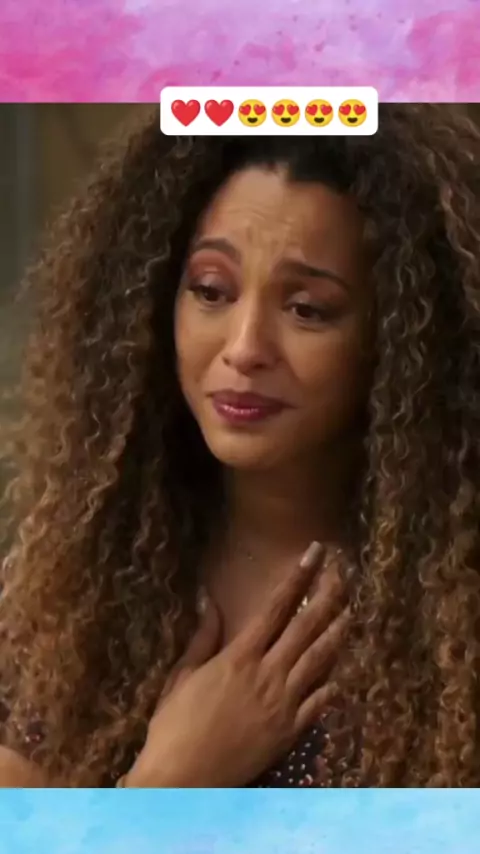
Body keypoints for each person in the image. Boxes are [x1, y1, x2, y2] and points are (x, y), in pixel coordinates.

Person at [0, 103, 479, 788]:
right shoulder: (74, 586)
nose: (245, 347)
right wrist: (168, 783)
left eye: (306, 309)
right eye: (211, 290)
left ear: (402, 341)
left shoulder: (454, 618)